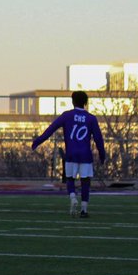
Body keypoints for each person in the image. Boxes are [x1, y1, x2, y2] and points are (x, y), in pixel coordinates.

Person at [30, 90, 107, 218]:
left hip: (71, 153)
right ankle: (84, 209)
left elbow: (51, 129)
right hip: (85, 155)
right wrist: (102, 154)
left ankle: (72, 197)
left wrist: (37, 141)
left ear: (73, 102)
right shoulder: (91, 118)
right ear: (85, 103)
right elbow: (99, 139)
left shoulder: (67, 116)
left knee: (70, 179)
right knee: (85, 181)